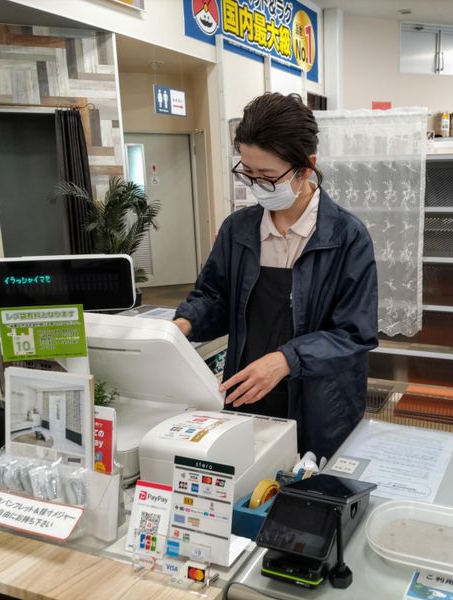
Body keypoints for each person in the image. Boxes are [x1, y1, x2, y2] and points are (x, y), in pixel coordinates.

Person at [173, 93, 378, 460]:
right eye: (247, 173)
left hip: (320, 405)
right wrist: (182, 326)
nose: (255, 185)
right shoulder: (238, 230)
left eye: (267, 177)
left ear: (306, 167)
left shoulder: (346, 237)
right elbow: (214, 297)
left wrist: (285, 360)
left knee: (309, 494)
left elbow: (354, 334)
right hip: (247, 392)